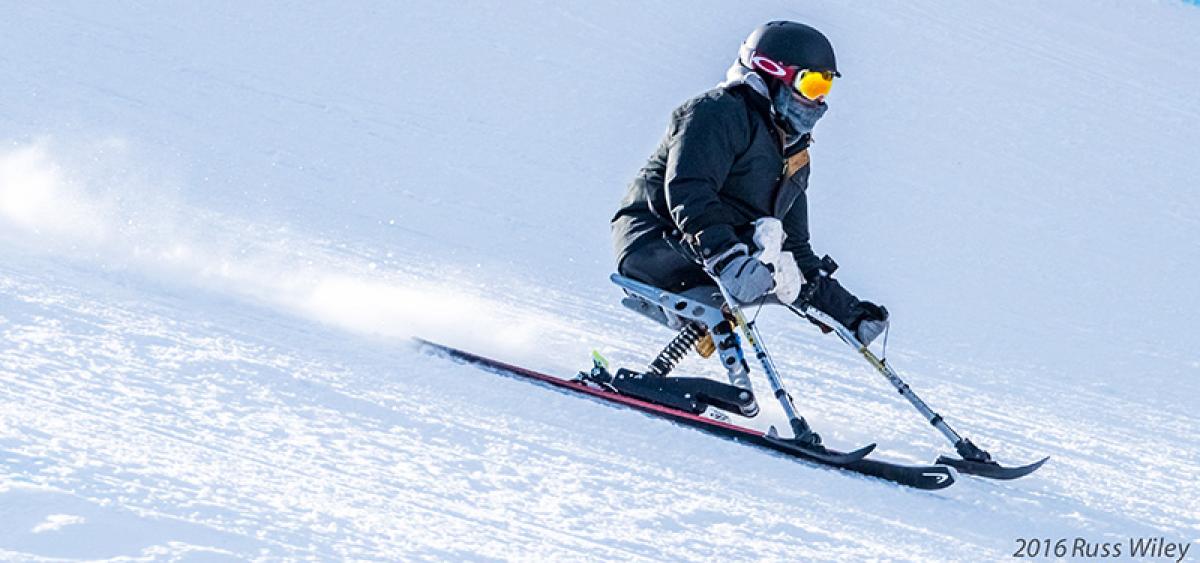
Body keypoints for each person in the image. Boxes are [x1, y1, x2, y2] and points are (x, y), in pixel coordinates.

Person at [611, 21, 889, 356]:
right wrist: (728, 258)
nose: (817, 102)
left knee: (779, 254)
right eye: (811, 84)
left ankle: (697, 390)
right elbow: (689, 190)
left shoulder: (795, 153)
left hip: (718, 254)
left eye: (824, 89)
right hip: (656, 242)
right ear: (772, 73)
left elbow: (796, 247)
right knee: (754, 258)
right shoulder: (716, 113)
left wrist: (849, 313)